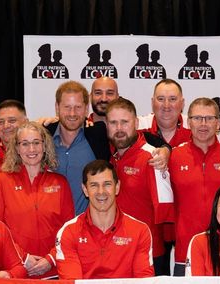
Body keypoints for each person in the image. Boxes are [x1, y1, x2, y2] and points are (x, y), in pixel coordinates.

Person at [47, 81, 171, 216]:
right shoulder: (44, 136)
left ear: (86, 109)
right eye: (67, 107)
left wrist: (165, 149)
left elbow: (136, 136)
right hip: (49, 226)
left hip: (87, 230)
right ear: (57, 107)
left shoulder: (98, 134)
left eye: (77, 107)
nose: (72, 113)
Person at [0, 121, 74, 278]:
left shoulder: (60, 182)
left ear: (44, 146)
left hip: (52, 271)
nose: (31, 149)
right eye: (25, 144)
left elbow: (68, 231)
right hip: (16, 269)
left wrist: (50, 259)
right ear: (17, 148)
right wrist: (24, 258)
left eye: (36, 143)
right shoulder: (1, 181)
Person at [106, 97, 175, 275]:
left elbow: (166, 213)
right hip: (117, 253)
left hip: (148, 255)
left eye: (124, 122)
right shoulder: (112, 157)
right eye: (113, 123)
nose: (119, 129)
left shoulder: (153, 157)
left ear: (136, 123)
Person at [54, 160, 154, 280]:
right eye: (94, 185)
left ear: (117, 187)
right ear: (85, 190)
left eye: (107, 184)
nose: (101, 192)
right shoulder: (68, 232)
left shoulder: (140, 231)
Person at [168, 97, 220, 276]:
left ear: (218, 123)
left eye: (209, 118)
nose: (203, 124)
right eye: (197, 118)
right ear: (188, 122)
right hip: (185, 251)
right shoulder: (173, 157)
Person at [138, 79, 191, 146]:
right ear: (152, 102)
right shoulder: (137, 126)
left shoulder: (194, 127)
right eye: (161, 99)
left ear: (182, 103)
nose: (166, 105)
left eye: (172, 99)